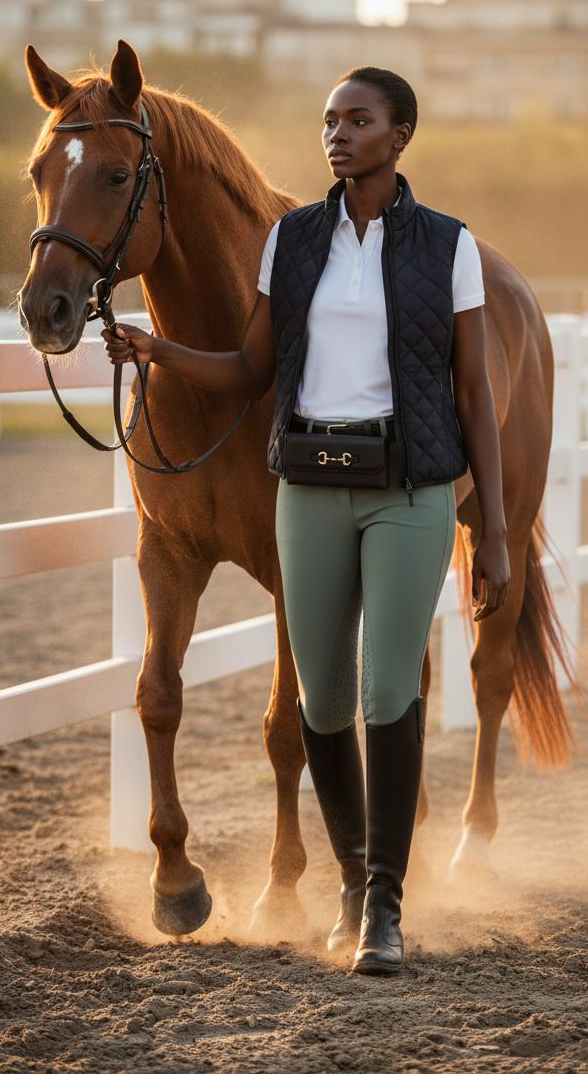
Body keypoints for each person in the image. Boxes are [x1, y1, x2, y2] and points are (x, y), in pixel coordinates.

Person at [103, 66, 510, 975]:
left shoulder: (449, 246)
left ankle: (386, 911)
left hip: (411, 490)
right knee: (321, 702)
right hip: (312, 489)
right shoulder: (288, 241)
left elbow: (477, 394)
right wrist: (155, 347)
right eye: (329, 121)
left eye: (357, 121)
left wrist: (497, 533)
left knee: (388, 689)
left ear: (399, 135)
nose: (337, 134)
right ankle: (353, 883)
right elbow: (252, 370)